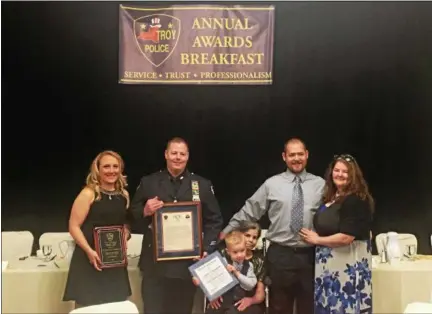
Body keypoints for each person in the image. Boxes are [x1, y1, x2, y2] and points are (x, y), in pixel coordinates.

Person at [220, 138, 325, 314]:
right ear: (284, 157)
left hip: (310, 256)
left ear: (307, 155)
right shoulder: (272, 184)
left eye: (300, 154)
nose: (296, 158)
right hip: (280, 255)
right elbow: (250, 210)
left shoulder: (321, 185)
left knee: (308, 307)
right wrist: (226, 231)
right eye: (292, 155)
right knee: (278, 308)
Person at [130, 137, 224, 314]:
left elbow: (215, 220)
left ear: (188, 157)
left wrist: (206, 248)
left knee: (181, 309)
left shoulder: (202, 185)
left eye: (182, 154)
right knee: (153, 310)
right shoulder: (148, 182)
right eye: (174, 153)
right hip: (155, 264)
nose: (178, 157)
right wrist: (145, 211)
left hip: (186, 264)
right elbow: (132, 215)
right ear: (166, 154)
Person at [300, 154, 374, 314]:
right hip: (328, 271)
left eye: (345, 171)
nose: (340, 174)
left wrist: (317, 239)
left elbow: (347, 237)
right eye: (337, 170)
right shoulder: (331, 197)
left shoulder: (355, 200)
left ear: (353, 175)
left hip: (345, 271)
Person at [63, 150, 132, 307]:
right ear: (98, 169)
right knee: (88, 306)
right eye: (106, 166)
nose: (111, 170)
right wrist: (89, 251)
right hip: (89, 261)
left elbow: (124, 224)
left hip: (114, 262)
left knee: (115, 306)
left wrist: (125, 234)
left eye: (115, 166)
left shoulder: (124, 195)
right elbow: (73, 226)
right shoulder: (89, 194)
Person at [203, 222, 267, 313]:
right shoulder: (224, 255)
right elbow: (211, 278)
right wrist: (213, 295)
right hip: (225, 298)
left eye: (254, 237)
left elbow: (259, 292)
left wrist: (251, 300)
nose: (250, 240)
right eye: (247, 235)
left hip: (247, 297)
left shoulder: (257, 261)